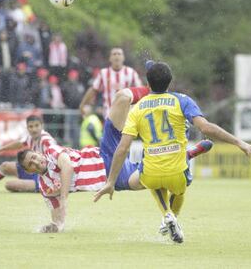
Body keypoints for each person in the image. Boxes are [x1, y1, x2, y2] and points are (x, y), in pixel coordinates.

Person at [94, 61, 251, 243]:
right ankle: (174, 207)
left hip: (151, 172)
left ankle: (167, 214)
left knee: (147, 176)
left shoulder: (139, 108)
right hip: (177, 173)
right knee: (179, 183)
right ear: (170, 81)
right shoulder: (182, 100)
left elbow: (123, 148)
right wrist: (239, 142)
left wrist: (110, 181)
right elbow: (207, 128)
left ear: (147, 84)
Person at [18, 83, 213, 233]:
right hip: (113, 179)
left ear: (39, 153)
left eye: (34, 157)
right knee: (153, 178)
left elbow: (67, 166)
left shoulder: (51, 150)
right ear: (29, 171)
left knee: (122, 96)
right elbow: (57, 214)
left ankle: (155, 89)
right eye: (31, 164)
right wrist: (56, 225)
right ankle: (186, 154)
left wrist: (64, 196)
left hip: (106, 154)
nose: (36, 161)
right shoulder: (45, 187)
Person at [0, 115, 57, 193]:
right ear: (27, 128)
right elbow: (19, 144)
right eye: (31, 127)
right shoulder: (31, 138)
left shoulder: (47, 141)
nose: (34, 129)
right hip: (34, 171)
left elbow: (56, 160)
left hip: (45, 177)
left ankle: (45, 187)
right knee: (5, 166)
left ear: (42, 126)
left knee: (10, 185)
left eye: (37, 126)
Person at [79, 47, 142, 117]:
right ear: (110, 58)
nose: (117, 56)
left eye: (119, 54)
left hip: (126, 115)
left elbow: (140, 90)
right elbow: (93, 89)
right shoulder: (103, 73)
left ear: (123, 58)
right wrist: (83, 104)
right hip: (109, 115)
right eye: (114, 54)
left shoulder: (131, 72)